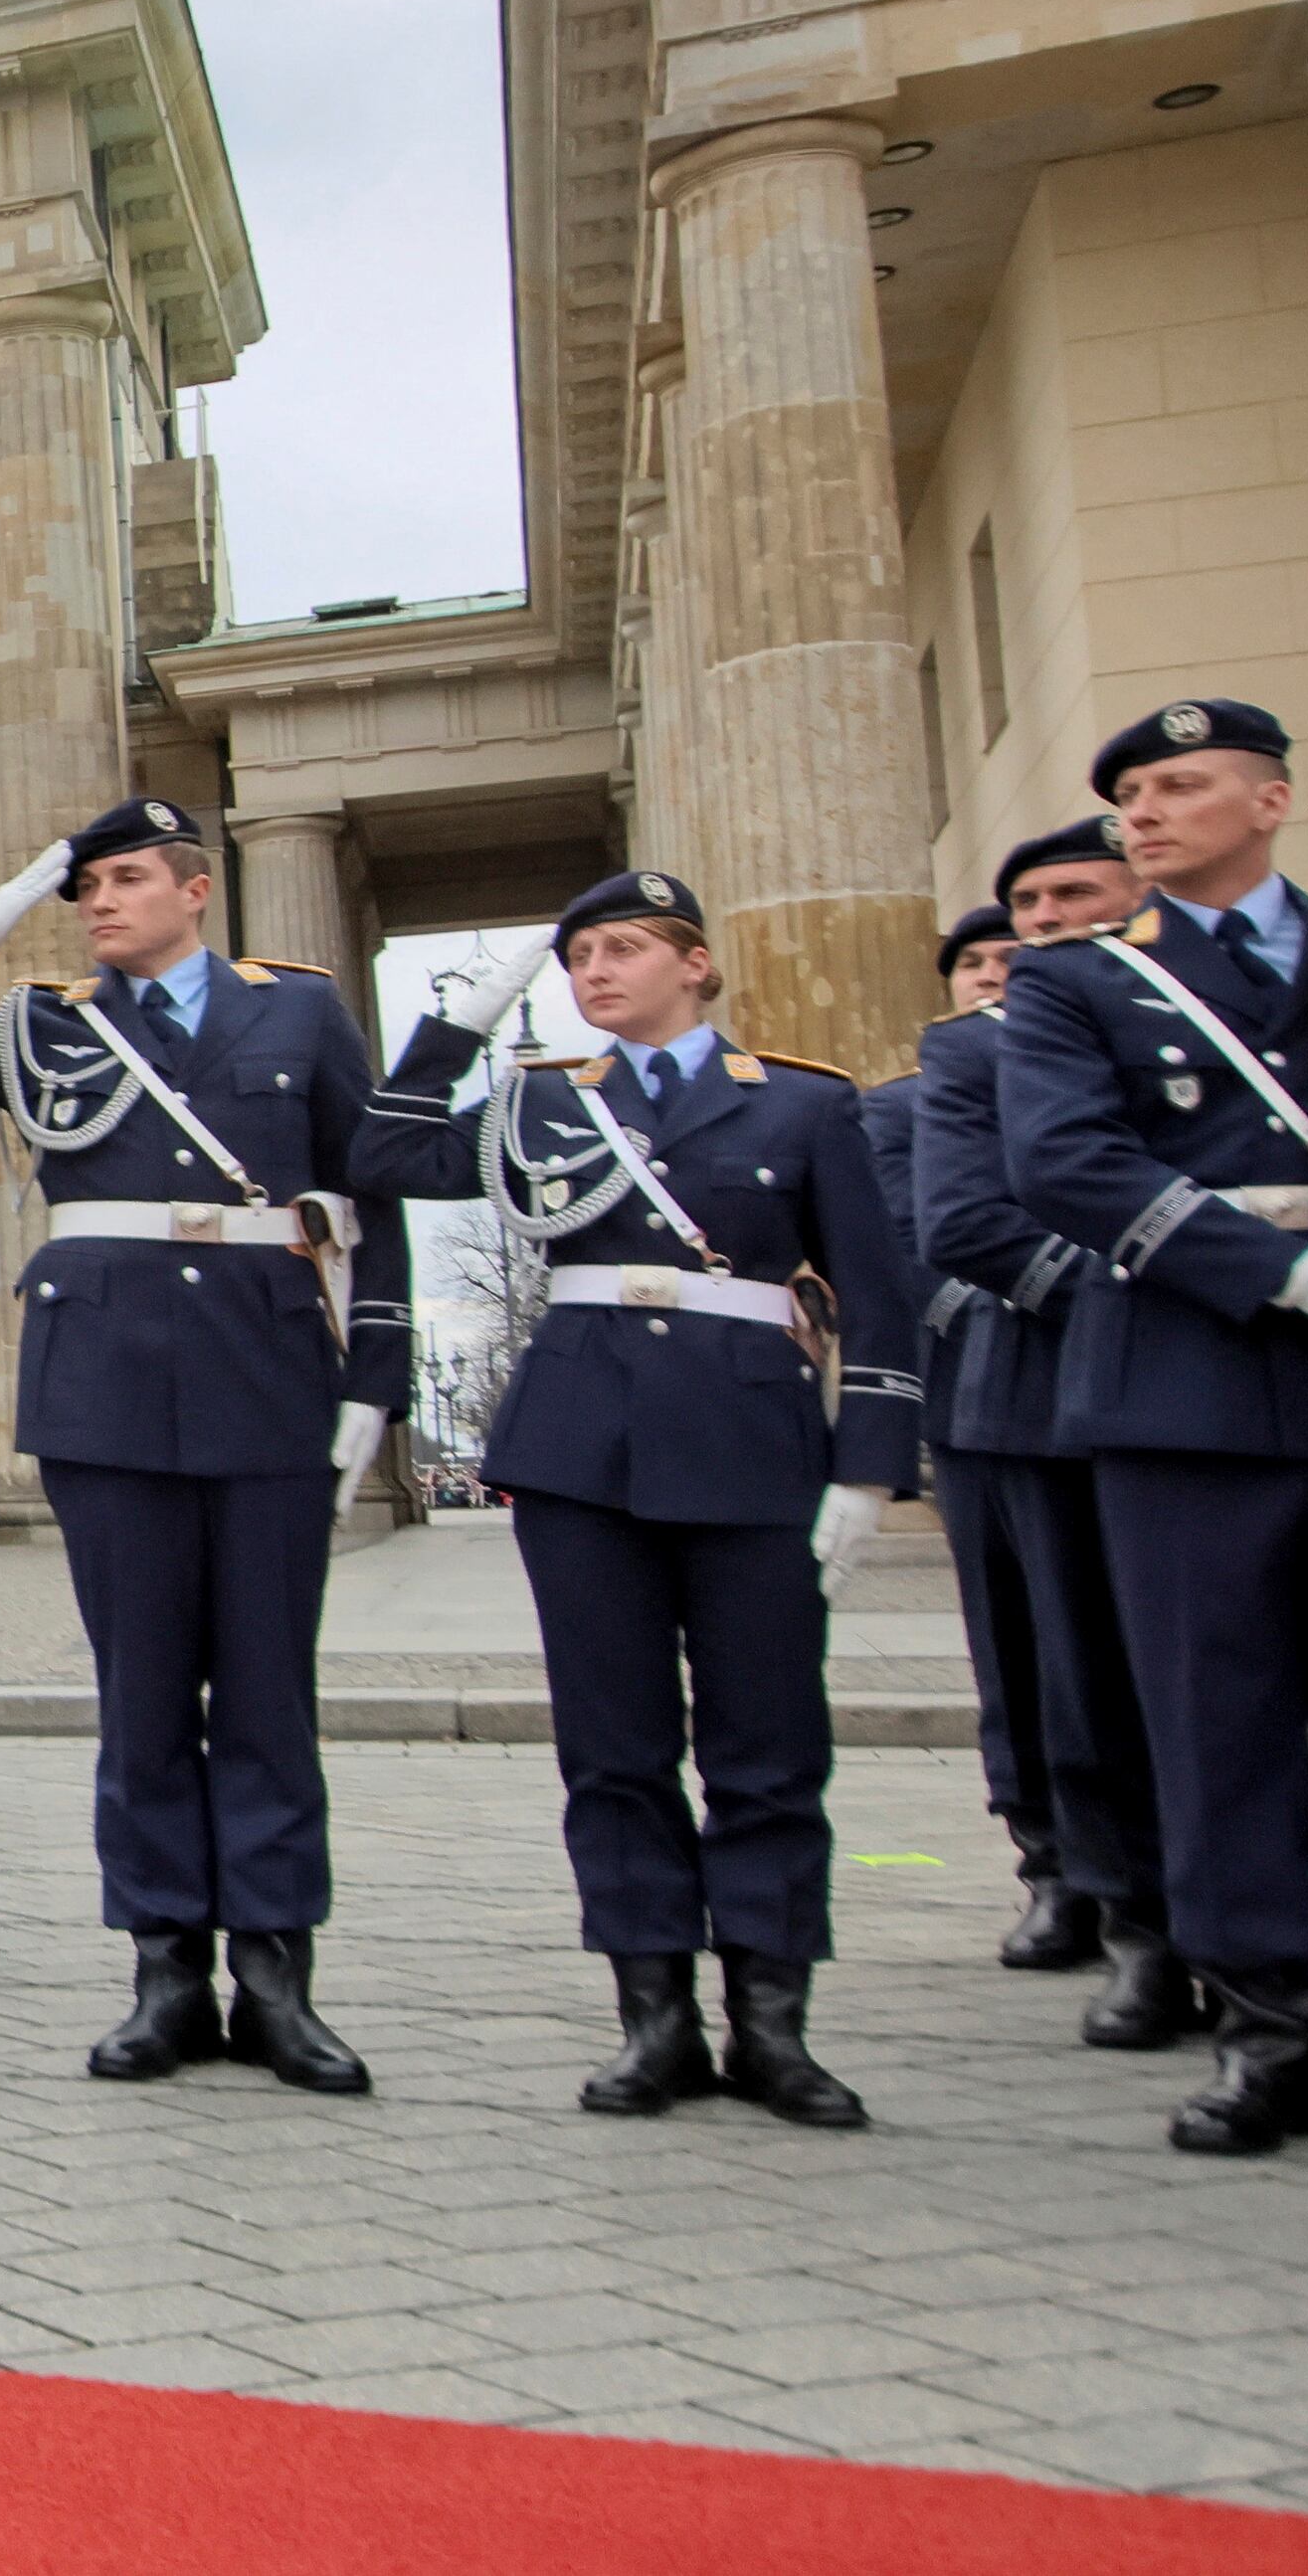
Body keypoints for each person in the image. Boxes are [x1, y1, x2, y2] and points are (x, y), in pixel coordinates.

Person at [0, 796, 403, 2094]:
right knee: (143, 1693)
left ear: (195, 889)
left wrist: (377, 1372)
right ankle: (164, 1970)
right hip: (104, 1387)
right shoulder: (43, 1023)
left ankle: (275, 1976)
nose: (101, 901)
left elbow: (368, 1186)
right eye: (84, 886)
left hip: (266, 1374)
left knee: (268, 1691)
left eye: (129, 878)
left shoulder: (300, 1014)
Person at [359, 871, 911, 2128]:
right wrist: (453, 1029)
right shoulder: (541, 1102)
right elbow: (384, 1151)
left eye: (621, 949)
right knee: (613, 1748)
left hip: (751, 1442)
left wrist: (870, 1462)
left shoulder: (805, 1103)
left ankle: (771, 2026)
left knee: (766, 1747)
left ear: (696, 964)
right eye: (575, 957)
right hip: (580, 1447)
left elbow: (877, 1288)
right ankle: (651, 2017)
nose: (592, 972)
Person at [1009, 699, 1308, 2153]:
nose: (1145, 814)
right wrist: (1295, 1277)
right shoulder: (1080, 979)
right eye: (1130, 796)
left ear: (1275, 798)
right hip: (1187, 1375)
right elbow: (1066, 1162)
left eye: (1180, 785)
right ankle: (1267, 2021)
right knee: (1217, 1721)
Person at [912, 817, 1189, 2043]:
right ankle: (1121, 1907)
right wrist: (1191, 1280)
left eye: (1073, 892)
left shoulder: (1203, 1012)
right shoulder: (971, 1053)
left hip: (1242, 1382)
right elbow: (955, 1220)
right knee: (1074, 1676)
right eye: (1022, 904)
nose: (1039, 921)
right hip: (1039, 1385)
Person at [875, 905, 1066, 1949]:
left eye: (1013, 960)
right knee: (1015, 1640)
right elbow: (902, 1245)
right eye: (975, 963)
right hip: (985, 1393)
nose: (994, 974)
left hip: (1118, 1388)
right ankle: (1045, 1853)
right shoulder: (908, 1101)